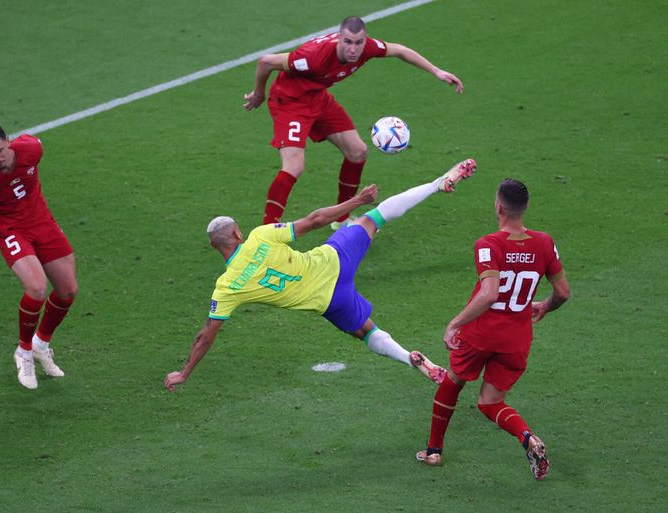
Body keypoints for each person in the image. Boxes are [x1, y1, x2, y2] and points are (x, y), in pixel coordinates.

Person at [163, 159, 476, 392]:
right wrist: (356, 201)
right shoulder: (260, 236)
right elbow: (313, 220)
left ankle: (409, 357)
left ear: (214, 245)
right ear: (237, 232)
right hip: (333, 260)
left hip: (328, 301)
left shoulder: (227, 287)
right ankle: (437, 184)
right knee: (374, 217)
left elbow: (207, 334)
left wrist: (185, 372)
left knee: (366, 332)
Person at [415, 179, 571, 480]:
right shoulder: (544, 242)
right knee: (490, 403)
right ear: (524, 208)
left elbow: (489, 293)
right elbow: (563, 292)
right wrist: (545, 305)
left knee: (453, 381)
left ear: (498, 207)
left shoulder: (489, 244)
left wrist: (454, 323)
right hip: (517, 339)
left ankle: (434, 451)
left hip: (482, 333)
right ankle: (528, 438)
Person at [243, 16, 464, 228]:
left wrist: (437, 71)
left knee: (357, 152)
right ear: (339, 38)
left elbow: (399, 50)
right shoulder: (313, 57)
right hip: (290, 102)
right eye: (347, 42)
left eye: (358, 43)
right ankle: (267, 232)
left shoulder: (367, 49)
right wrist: (259, 94)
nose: (353, 49)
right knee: (294, 166)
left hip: (317, 97)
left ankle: (341, 219)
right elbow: (266, 62)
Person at [0, 121, 78, 390]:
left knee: (68, 290)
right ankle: (23, 351)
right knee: (36, 287)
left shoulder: (31, 149)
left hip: (42, 222)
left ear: (8, 141)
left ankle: (41, 344)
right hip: (10, 230)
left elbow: (36, 143)